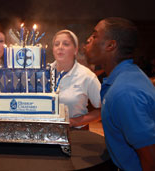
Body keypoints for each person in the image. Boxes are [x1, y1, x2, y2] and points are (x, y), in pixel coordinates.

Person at [83, 17, 155, 171]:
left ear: (110, 45)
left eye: (95, 36)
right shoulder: (123, 76)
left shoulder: (125, 92)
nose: (88, 40)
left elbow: (151, 158)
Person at [51, 29, 101, 129]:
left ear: (75, 50)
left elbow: (102, 110)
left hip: (76, 134)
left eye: (66, 44)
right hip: (45, 132)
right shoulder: (42, 73)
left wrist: (75, 122)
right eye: (56, 44)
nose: (60, 47)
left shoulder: (87, 76)